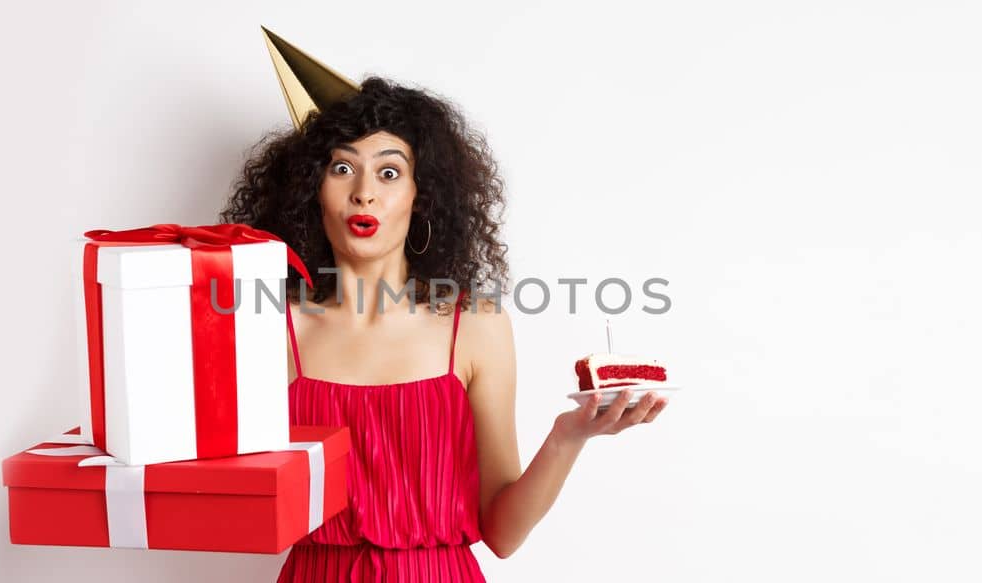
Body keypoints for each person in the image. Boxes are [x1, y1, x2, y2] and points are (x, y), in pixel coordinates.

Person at [221, 76, 668, 582]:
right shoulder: (269, 329)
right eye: (342, 168)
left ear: (422, 197)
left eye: (390, 173)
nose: (364, 193)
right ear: (311, 191)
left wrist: (567, 438)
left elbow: (501, 535)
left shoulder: (475, 324)